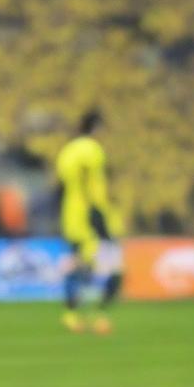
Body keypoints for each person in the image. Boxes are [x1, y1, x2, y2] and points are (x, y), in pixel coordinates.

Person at [55, 110, 117, 335]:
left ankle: (72, 314)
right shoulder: (93, 151)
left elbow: (61, 184)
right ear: (96, 127)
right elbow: (96, 187)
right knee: (99, 258)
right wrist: (101, 213)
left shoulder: (67, 151)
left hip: (70, 212)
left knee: (80, 258)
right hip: (89, 213)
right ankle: (98, 313)